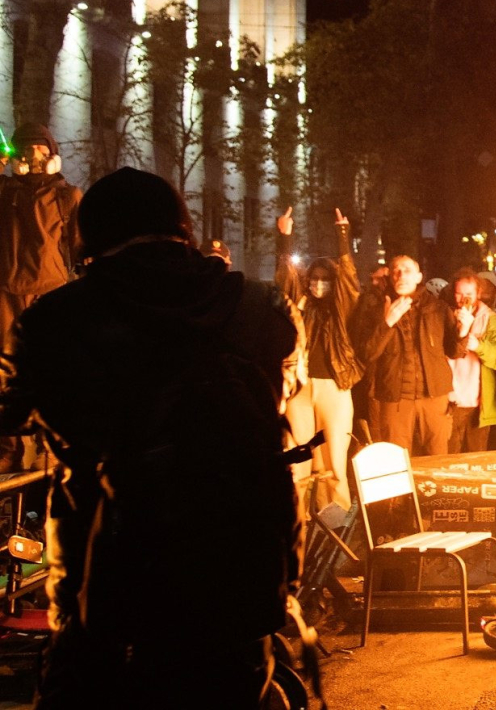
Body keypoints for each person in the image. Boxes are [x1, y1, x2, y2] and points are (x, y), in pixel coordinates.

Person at [0, 167, 301, 707]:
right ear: (180, 225)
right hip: (242, 572)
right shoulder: (257, 307)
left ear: (89, 235)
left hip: (114, 588)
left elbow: (10, 410)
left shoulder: (56, 322)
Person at [0, 123, 80, 473]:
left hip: (51, 292)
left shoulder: (67, 197)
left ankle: (51, 449)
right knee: (3, 373)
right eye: (26, 150)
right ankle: (8, 447)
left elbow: (80, 248)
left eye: (40, 149)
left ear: (51, 154)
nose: (34, 157)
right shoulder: (3, 192)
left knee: (54, 371)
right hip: (5, 292)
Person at [275, 205, 365, 509]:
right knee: (299, 456)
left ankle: (335, 517)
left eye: (325, 278)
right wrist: (284, 238)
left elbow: (349, 280)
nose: (318, 283)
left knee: (334, 458)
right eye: (314, 277)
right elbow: (286, 278)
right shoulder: (300, 303)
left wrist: (343, 235)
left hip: (334, 387)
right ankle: (298, 516)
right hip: (301, 388)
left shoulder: (340, 310)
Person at [355, 255, 460, 455]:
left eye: (407, 270)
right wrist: (387, 323)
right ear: (390, 277)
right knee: (397, 461)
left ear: (419, 277)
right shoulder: (375, 310)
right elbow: (366, 354)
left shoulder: (437, 308)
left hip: (433, 397)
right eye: (396, 270)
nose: (401, 275)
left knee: (437, 458)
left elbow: (454, 351)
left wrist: (462, 333)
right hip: (395, 399)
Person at [446, 269, 496, 453]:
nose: (463, 298)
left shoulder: (492, 320)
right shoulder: (444, 315)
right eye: (459, 293)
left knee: (476, 455)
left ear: (478, 293)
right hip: (451, 400)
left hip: (479, 402)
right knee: (450, 456)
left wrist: (479, 346)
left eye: (469, 294)